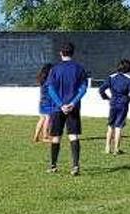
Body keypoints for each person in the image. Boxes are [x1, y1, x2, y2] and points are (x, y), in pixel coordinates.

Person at [45, 42, 88, 176]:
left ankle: (53, 166)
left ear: (61, 53)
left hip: (58, 109)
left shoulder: (55, 69)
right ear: (72, 53)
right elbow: (83, 88)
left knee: (56, 137)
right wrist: (73, 103)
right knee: (73, 136)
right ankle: (75, 166)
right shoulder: (79, 68)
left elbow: (51, 89)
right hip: (73, 108)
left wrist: (60, 105)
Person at [99, 59, 130, 155]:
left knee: (110, 125)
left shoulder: (111, 77)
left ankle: (107, 147)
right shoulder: (129, 79)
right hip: (123, 103)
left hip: (113, 102)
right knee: (119, 126)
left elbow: (101, 89)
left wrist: (106, 98)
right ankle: (116, 149)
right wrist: (129, 99)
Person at [33, 63, 54, 144]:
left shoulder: (42, 79)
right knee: (48, 118)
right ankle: (45, 136)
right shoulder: (48, 80)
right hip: (47, 102)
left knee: (42, 119)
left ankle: (36, 136)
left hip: (42, 101)